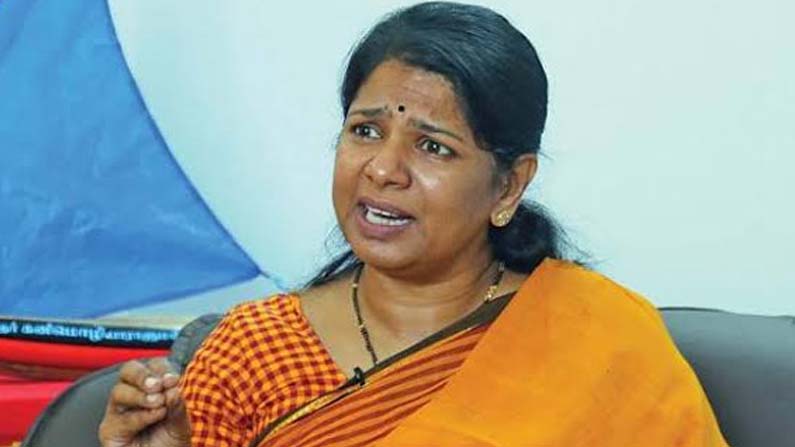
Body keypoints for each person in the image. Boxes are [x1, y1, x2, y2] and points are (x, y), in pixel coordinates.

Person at [99, 2, 729, 446]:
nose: (383, 169)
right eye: (365, 131)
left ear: (509, 185)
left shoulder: (603, 339)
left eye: (433, 147)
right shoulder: (251, 352)